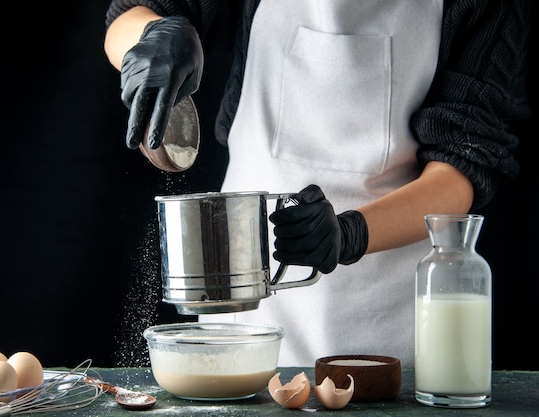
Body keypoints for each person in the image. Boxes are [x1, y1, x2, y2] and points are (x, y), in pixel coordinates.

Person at [103, 1, 531, 367]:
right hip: (242, 290)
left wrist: (350, 233)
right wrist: (153, 35)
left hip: (385, 302)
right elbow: (126, 17)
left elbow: (462, 169)